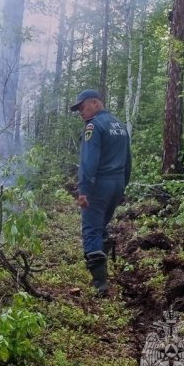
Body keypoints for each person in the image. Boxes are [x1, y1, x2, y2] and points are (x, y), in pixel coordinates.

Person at [70, 89, 132, 296]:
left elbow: (89, 161)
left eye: (82, 106)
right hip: (116, 184)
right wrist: (123, 186)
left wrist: (84, 189)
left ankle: (100, 284)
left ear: (95, 103)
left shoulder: (94, 127)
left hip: (99, 186)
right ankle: (102, 269)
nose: (81, 112)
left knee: (92, 230)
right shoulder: (119, 125)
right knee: (101, 226)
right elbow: (128, 161)